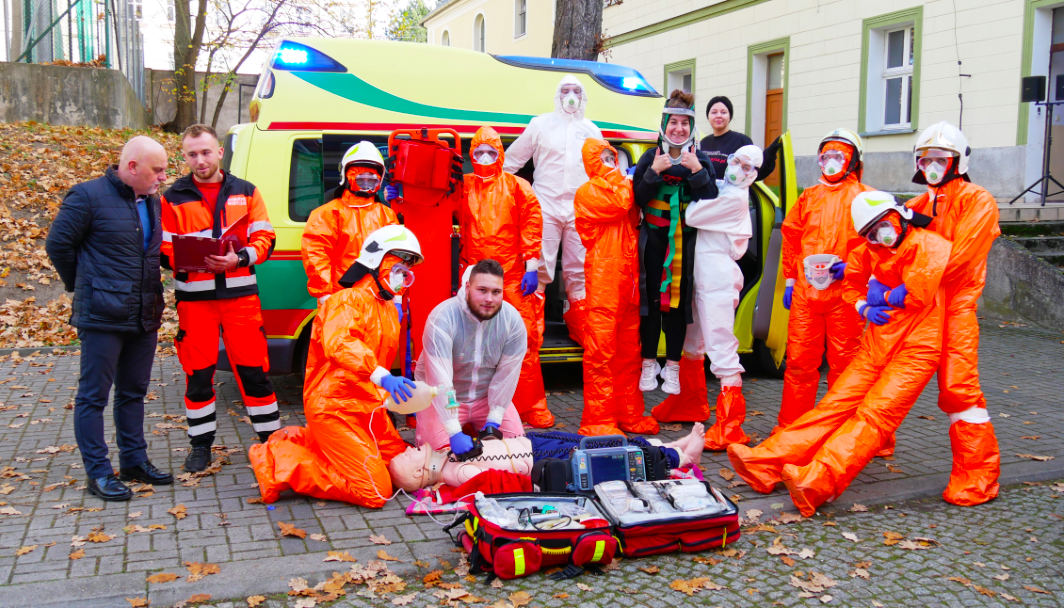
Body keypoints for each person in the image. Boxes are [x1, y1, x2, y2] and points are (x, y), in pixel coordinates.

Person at [728, 192, 952, 516]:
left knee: (874, 415)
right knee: (833, 405)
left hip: (918, 347)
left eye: (883, 226)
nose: (879, 236)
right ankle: (764, 463)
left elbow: (916, 295)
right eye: (871, 233)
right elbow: (853, 285)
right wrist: (864, 304)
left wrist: (881, 293)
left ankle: (818, 481)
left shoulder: (930, 246)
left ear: (900, 215)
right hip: (878, 341)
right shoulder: (868, 250)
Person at [248, 226, 423, 508]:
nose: (403, 274)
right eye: (399, 263)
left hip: (367, 406)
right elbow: (340, 344)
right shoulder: (346, 300)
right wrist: (382, 376)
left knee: (400, 466)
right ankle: (276, 458)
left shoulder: (388, 309)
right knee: (376, 491)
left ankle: (317, 443)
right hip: (333, 407)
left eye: (408, 268)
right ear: (378, 261)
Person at [45, 136, 173, 501]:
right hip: (102, 316)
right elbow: (58, 245)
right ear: (132, 167)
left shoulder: (152, 201)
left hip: (144, 314)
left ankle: (134, 461)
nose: (162, 177)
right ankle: (98, 473)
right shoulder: (87, 196)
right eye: (157, 170)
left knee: (133, 392)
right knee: (93, 397)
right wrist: (83, 284)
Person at [160, 124, 280, 473]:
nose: (200, 160)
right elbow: (163, 248)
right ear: (185, 156)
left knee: (256, 374)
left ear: (220, 153)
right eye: (192, 154)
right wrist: (184, 259)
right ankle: (201, 447)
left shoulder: (246, 191)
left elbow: (265, 238)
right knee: (198, 376)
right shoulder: (172, 197)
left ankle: (271, 446)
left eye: (206, 152)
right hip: (195, 303)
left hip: (241, 300)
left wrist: (238, 259)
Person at [902, 121, 1001, 507]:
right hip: (922, 308)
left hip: (955, 307)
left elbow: (958, 261)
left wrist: (905, 284)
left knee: (960, 389)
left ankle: (977, 477)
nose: (931, 165)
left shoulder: (978, 200)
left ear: (958, 161)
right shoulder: (917, 205)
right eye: (925, 159)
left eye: (940, 158)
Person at [653, 145, 763, 451]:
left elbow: (693, 213)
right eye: (736, 160)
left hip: (717, 276)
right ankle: (689, 403)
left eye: (747, 167)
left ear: (754, 174)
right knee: (693, 341)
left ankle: (729, 425)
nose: (739, 169)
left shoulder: (735, 198)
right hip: (702, 274)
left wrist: (699, 185)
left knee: (720, 345)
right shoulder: (724, 189)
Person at [776, 128, 872, 430]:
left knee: (846, 367)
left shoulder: (866, 198)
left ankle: (841, 430)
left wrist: (853, 267)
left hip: (846, 294)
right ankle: (793, 428)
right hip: (806, 294)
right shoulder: (809, 197)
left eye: (839, 156)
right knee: (799, 365)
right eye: (826, 155)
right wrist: (790, 281)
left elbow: (879, 243)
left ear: (853, 160)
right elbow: (791, 237)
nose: (831, 162)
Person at [458, 127, 551, 428]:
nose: (485, 158)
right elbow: (437, 207)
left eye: (491, 152)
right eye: (478, 152)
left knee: (524, 341)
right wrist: (403, 200)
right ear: (471, 156)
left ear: (500, 154)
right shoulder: (463, 186)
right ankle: (476, 408)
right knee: (473, 344)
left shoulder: (516, 185)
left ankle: (531, 405)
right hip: (476, 277)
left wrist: (532, 265)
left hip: (511, 276)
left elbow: (532, 222)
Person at [504, 74, 603, 347]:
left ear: (583, 96)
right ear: (558, 95)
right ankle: (531, 330)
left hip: (579, 210)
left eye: (576, 91)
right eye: (565, 90)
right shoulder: (540, 124)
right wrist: (495, 189)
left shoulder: (592, 130)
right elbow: (512, 160)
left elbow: (602, 172)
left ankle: (580, 327)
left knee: (579, 270)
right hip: (544, 205)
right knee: (538, 267)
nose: (571, 95)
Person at [635, 89, 718, 395]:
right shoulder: (650, 157)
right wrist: (654, 173)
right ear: (664, 125)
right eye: (674, 123)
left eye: (685, 123)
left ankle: (672, 366)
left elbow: (711, 200)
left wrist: (696, 170)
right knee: (651, 304)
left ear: (691, 127)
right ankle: (648, 363)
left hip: (685, 246)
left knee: (677, 307)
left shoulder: (700, 159)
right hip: (652, 243)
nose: (679, 128)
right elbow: (638, 199)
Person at [574, 138, 659, 437]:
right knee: (600, 352)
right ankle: (599, 419)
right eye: (605, 158)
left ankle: (629, 415)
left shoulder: (619, 184)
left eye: (613, 157)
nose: (611, 162)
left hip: (629, 279)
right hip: (604, 280)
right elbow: (621, 204)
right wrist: (629, 180)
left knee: (628, 353)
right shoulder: (588, 192)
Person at [413, 260, 529, 452]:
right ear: (467, 287)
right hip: (440, 398)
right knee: (436, 461)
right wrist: (453, 431)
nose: (489, 299)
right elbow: (440, 380)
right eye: (482, 290)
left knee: (519, 452)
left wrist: (494, 419)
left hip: (485, 398)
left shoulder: (512, 321)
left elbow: (507, 375)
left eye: (496, 292)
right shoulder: (442, 318)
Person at [302, 141, 397, 305]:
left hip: (379, 300)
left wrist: (395, 293)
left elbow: (394, 257)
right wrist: (325, 295)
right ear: (348, 177)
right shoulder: (327, 214)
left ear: (379, 181)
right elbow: (316, 255)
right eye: (361, 180)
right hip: (339, 299)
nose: (366, 185)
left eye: (371, 180)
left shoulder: (387, 215)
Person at [700, 96, 779, 182]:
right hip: (705, 195)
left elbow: (753, 172)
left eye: (723, 112)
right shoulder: (703, 143)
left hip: (732, 195)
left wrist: (769, 155)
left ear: (730, 117)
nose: (719, 115)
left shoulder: (741, 141)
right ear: (708, 117)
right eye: (714, 112)